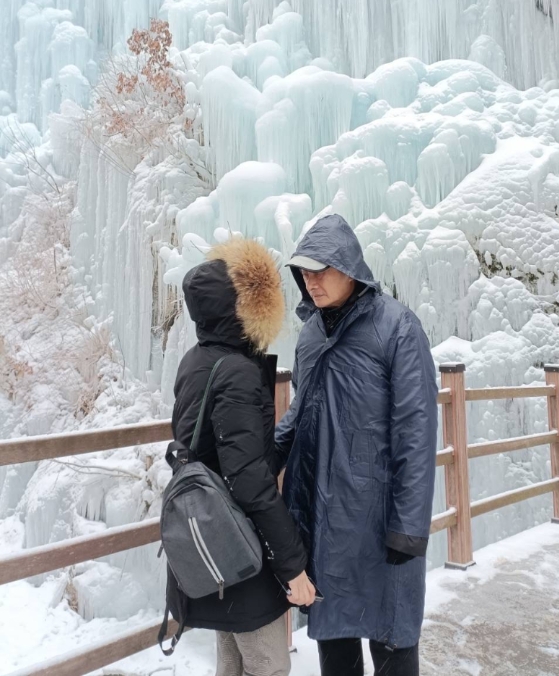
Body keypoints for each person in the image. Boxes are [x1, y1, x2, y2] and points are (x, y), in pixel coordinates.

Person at [276, 214, 438, 676]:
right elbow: (297, 415)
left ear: (349, 268)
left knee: (391, 638)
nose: (312, 281)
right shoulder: (310, 335)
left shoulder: (398, 329)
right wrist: (259, 458)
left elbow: (416, 432)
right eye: (304, 272)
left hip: (379, 516)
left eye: (321, 270)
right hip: (323, 519)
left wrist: (409, 527)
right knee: (334, 640)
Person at [168, 237, 316, 676]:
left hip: (211, 539)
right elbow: (249, 482)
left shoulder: (197, 361)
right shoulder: (237, 372)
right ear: (249, 309)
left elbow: (225, 454)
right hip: (242, 546)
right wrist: (293, 566)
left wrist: (283, 437)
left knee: (231, 663)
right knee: (268, 667)